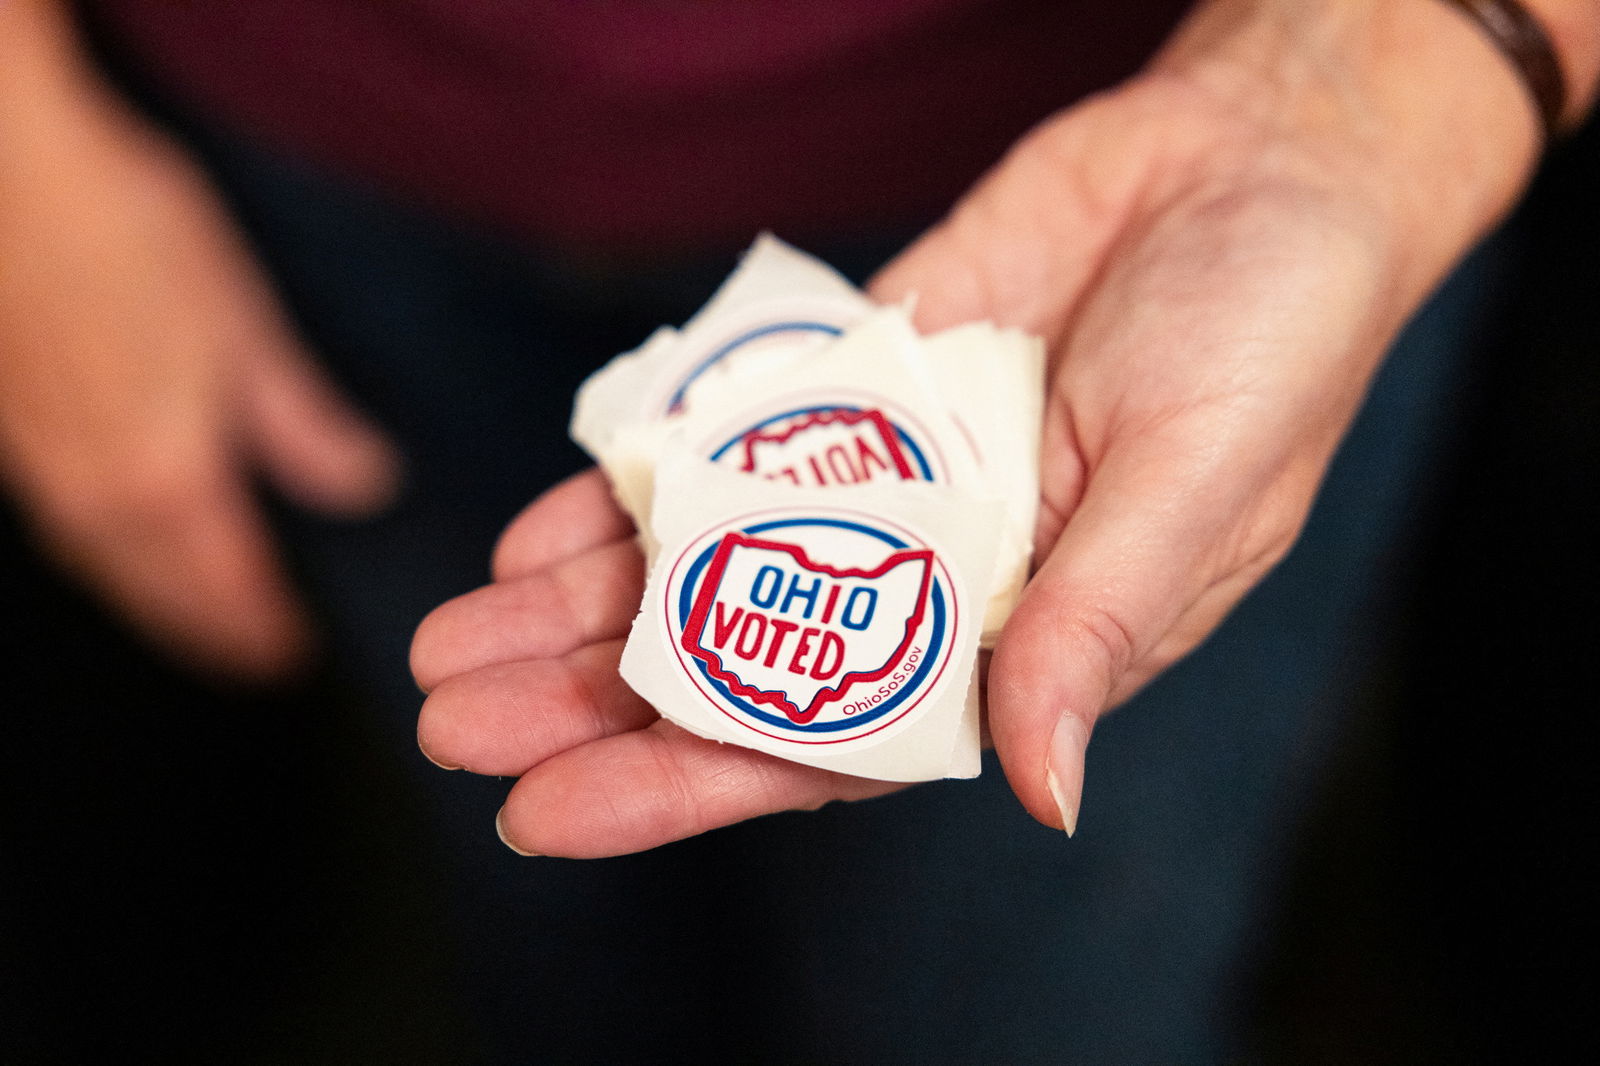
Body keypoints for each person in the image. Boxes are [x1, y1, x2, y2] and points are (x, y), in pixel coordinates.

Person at [3, 0, 1595, 1060]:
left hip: (1128, 188)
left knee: (1015, 1005)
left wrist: (1387, 74)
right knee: (555, 926)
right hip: (290, 161)